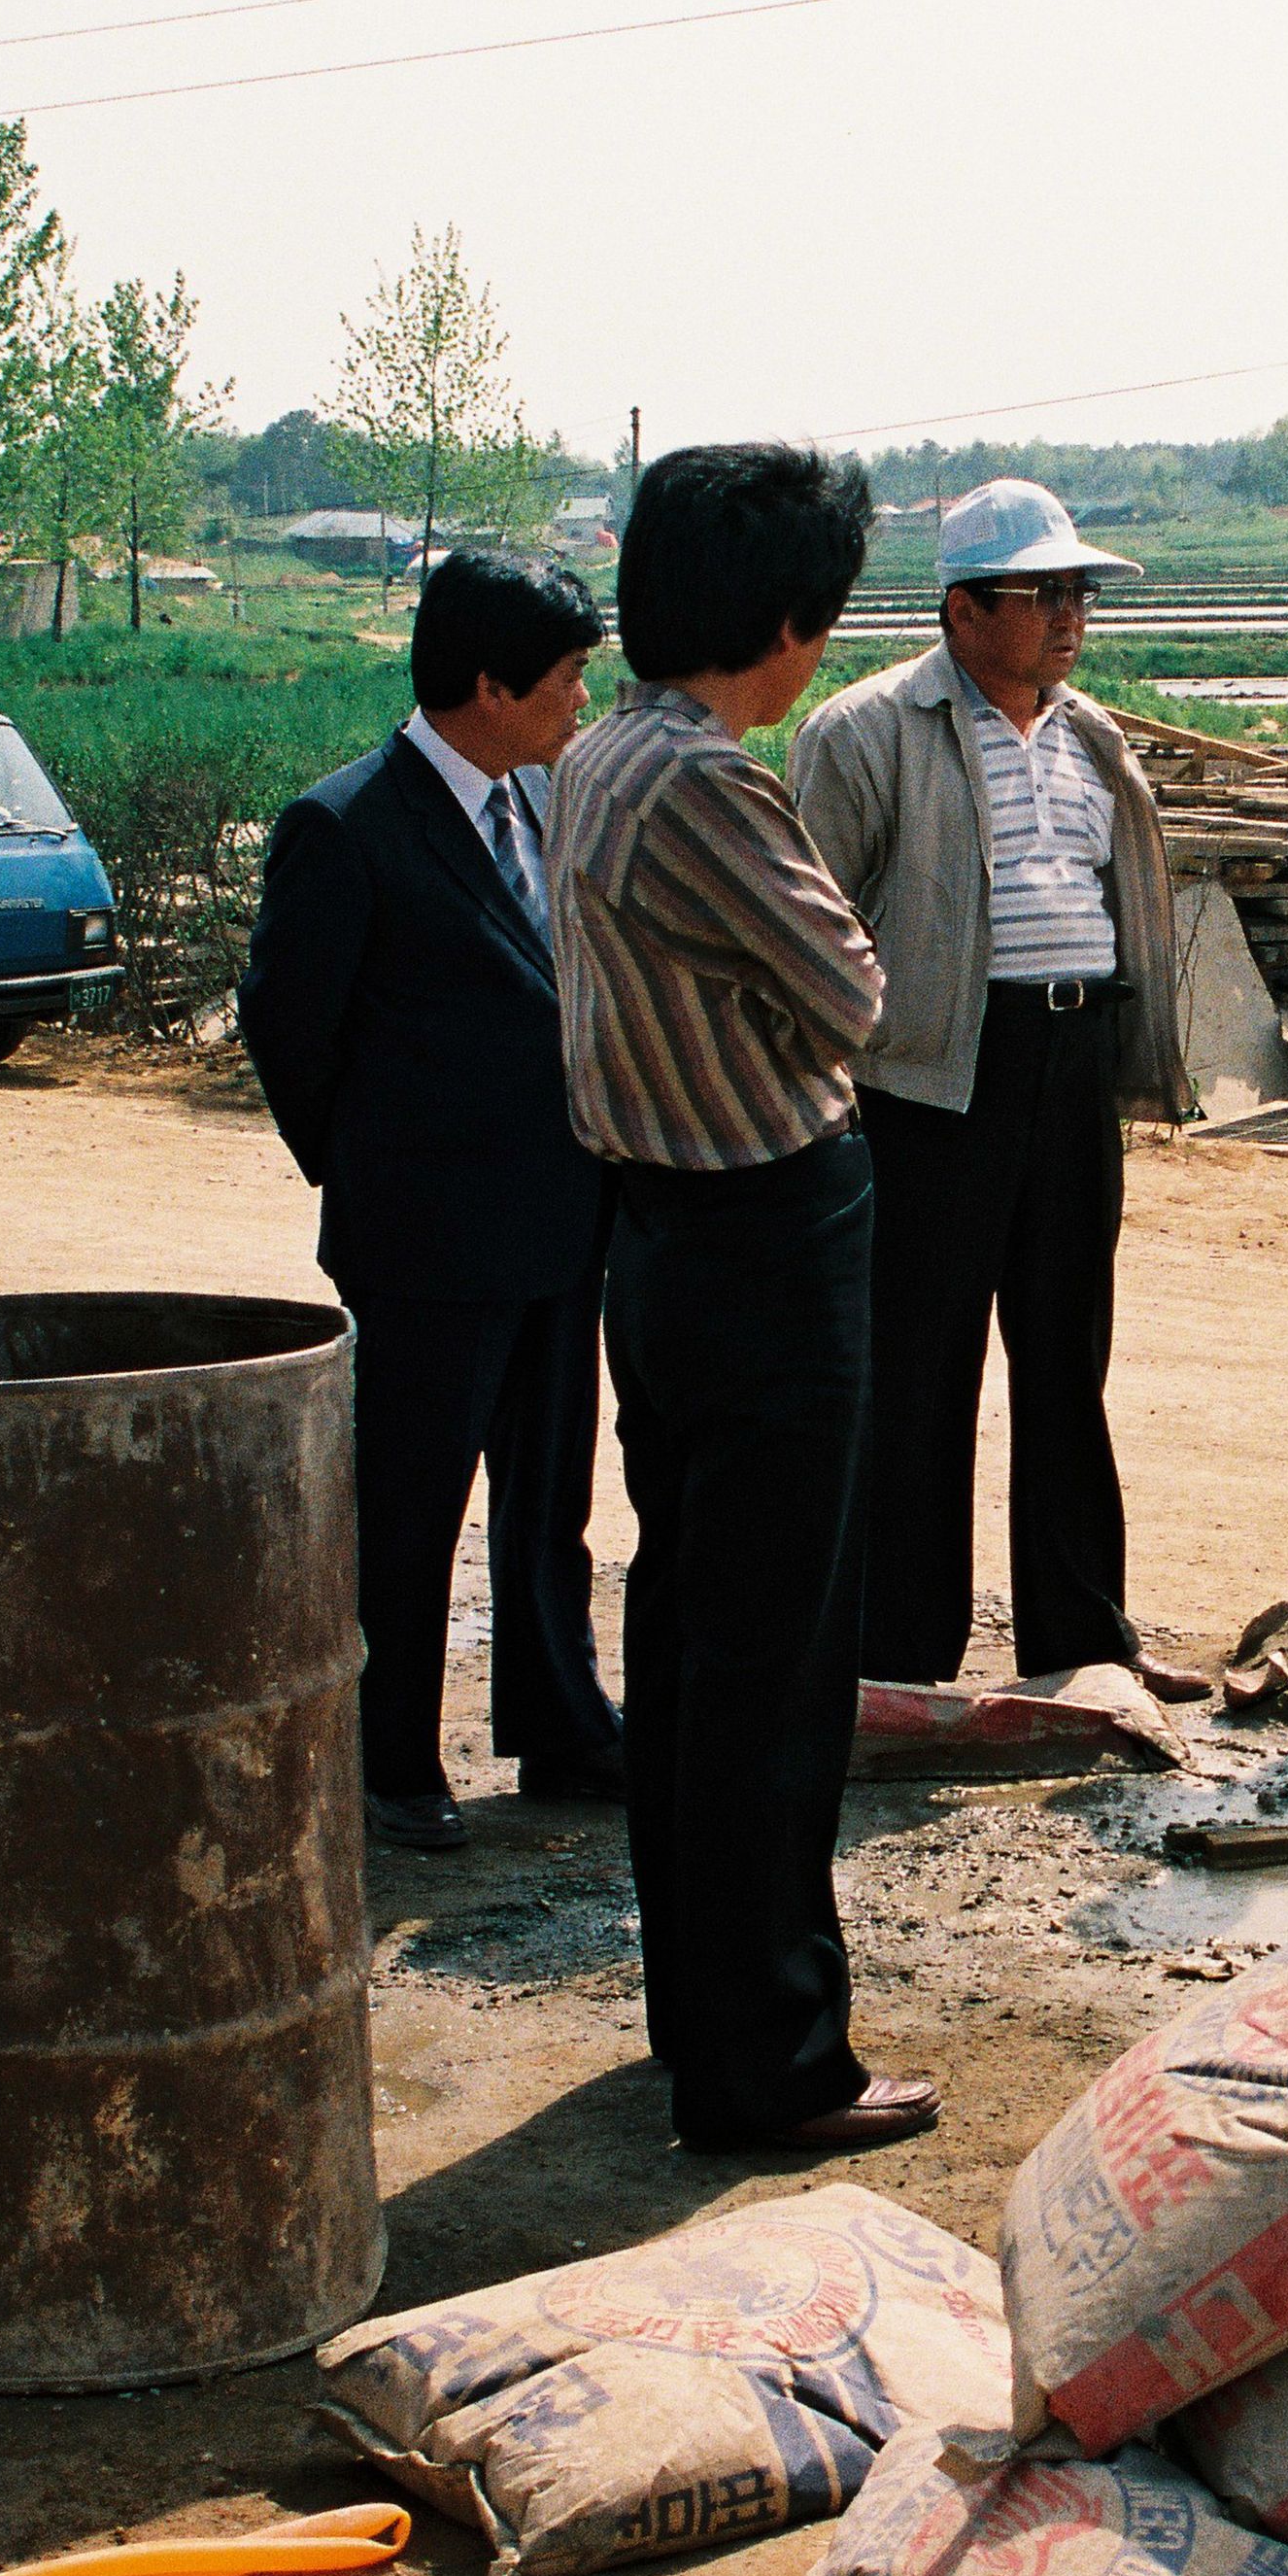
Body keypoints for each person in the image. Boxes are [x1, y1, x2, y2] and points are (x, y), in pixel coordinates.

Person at [547, 440, 925, 2152]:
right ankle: (771, 2061)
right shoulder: (709, 778)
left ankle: (700, 2014)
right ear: (781, 622)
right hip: (769, 1227)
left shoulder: (597, 750)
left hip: (661, 1232)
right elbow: (850, 992)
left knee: (692, 1635)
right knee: (774, 1660)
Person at [791, 479, 1211, 1700]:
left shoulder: (1091, 739)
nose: (1070, 614)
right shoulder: (864, 733)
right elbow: (811, 924)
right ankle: (900, 1652)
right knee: (918, 1371)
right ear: (963, 611)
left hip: (1069, 1067)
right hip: (927, 1084)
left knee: (1065, 1359)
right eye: (1042, 592)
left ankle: (1083, 1639)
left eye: (1078, 590)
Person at [238, 551, 627, 1854]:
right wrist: (376, 1175)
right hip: (426, 1241)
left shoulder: (550, 801)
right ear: (487, 682)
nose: (586, 695)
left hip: (564, 1221)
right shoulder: (347, 825)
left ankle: (563, 1724)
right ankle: (389, 1756)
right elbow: (291, 1030)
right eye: (569, 673)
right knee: (408, 1507)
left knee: (549, 1496)